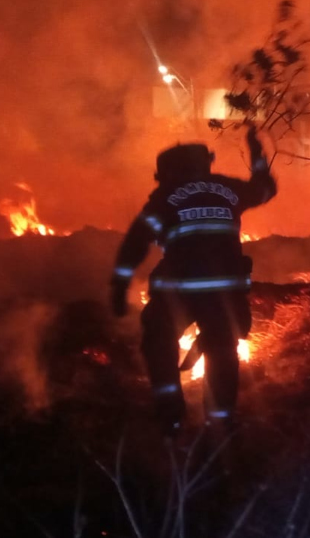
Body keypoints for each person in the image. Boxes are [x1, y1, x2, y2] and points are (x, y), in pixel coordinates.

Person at [109, 125, 276, 435]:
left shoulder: (164, 198)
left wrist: (119, 284)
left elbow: (136, 241)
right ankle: (222, 423)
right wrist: (256, 153)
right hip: (224, 297)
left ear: (167, 171)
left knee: (159, 345)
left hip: (179, 294)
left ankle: (171, 421)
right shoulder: (228, 189)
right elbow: (265, 188)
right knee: (222, 355)